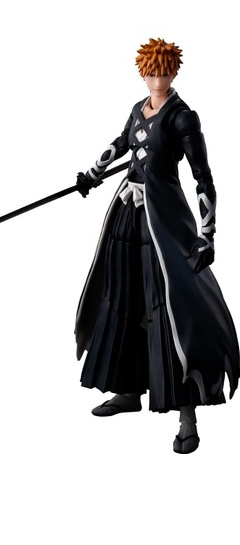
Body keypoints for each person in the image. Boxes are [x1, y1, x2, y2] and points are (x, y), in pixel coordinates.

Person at [75, 38, 240, 454]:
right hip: (128, 213)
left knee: (168, 307)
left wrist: (207, 233)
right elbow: (121, 143)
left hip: (163, 220)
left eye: (164, 69)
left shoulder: (182, 117)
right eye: (151, 70)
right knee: (122, 297)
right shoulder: (138, 109)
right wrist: (92, 174)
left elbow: (203, 178)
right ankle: (128, 389)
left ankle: (187, 415)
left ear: (173, 71)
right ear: (143, 72)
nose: (157, 76)